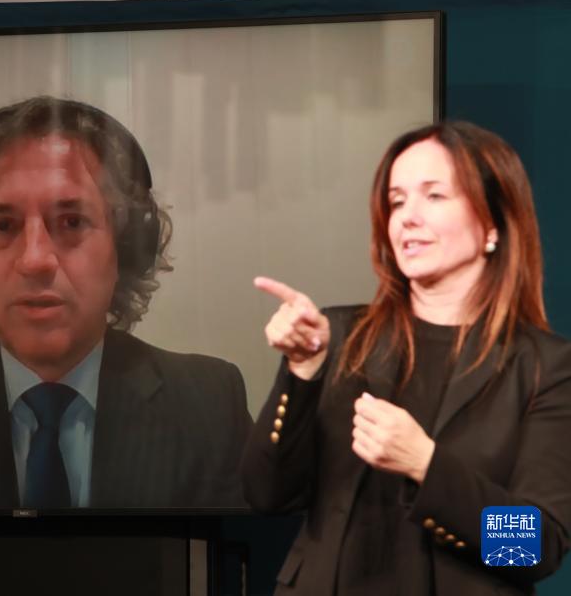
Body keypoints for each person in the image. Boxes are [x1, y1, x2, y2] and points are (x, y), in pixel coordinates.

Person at [0, 95, 251, 510]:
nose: (35, 260)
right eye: (2, 225)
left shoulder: (210, 405)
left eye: (72, 222)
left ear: (127, 249)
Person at [243, 121, 571, 595]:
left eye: (434, 196)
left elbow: (534, 548)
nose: (407, 218)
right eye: (397, 202)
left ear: (493, 225)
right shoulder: (339, 336)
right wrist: (303, 371)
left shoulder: (545, 367)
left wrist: (425, 464)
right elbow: (266, 496)